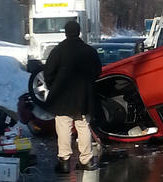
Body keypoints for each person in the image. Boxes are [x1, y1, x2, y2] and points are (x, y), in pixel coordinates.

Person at [43, 21, 102, 173]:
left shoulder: (58, 50)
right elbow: (98, 71)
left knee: (63, 127)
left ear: (66, 32)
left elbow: (48, 73)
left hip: (62, 96)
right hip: (83, 97)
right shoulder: (89, 51)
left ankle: (64, 161)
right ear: (79, 32)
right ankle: (86, 160)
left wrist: (54, 86)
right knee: (83, 127)